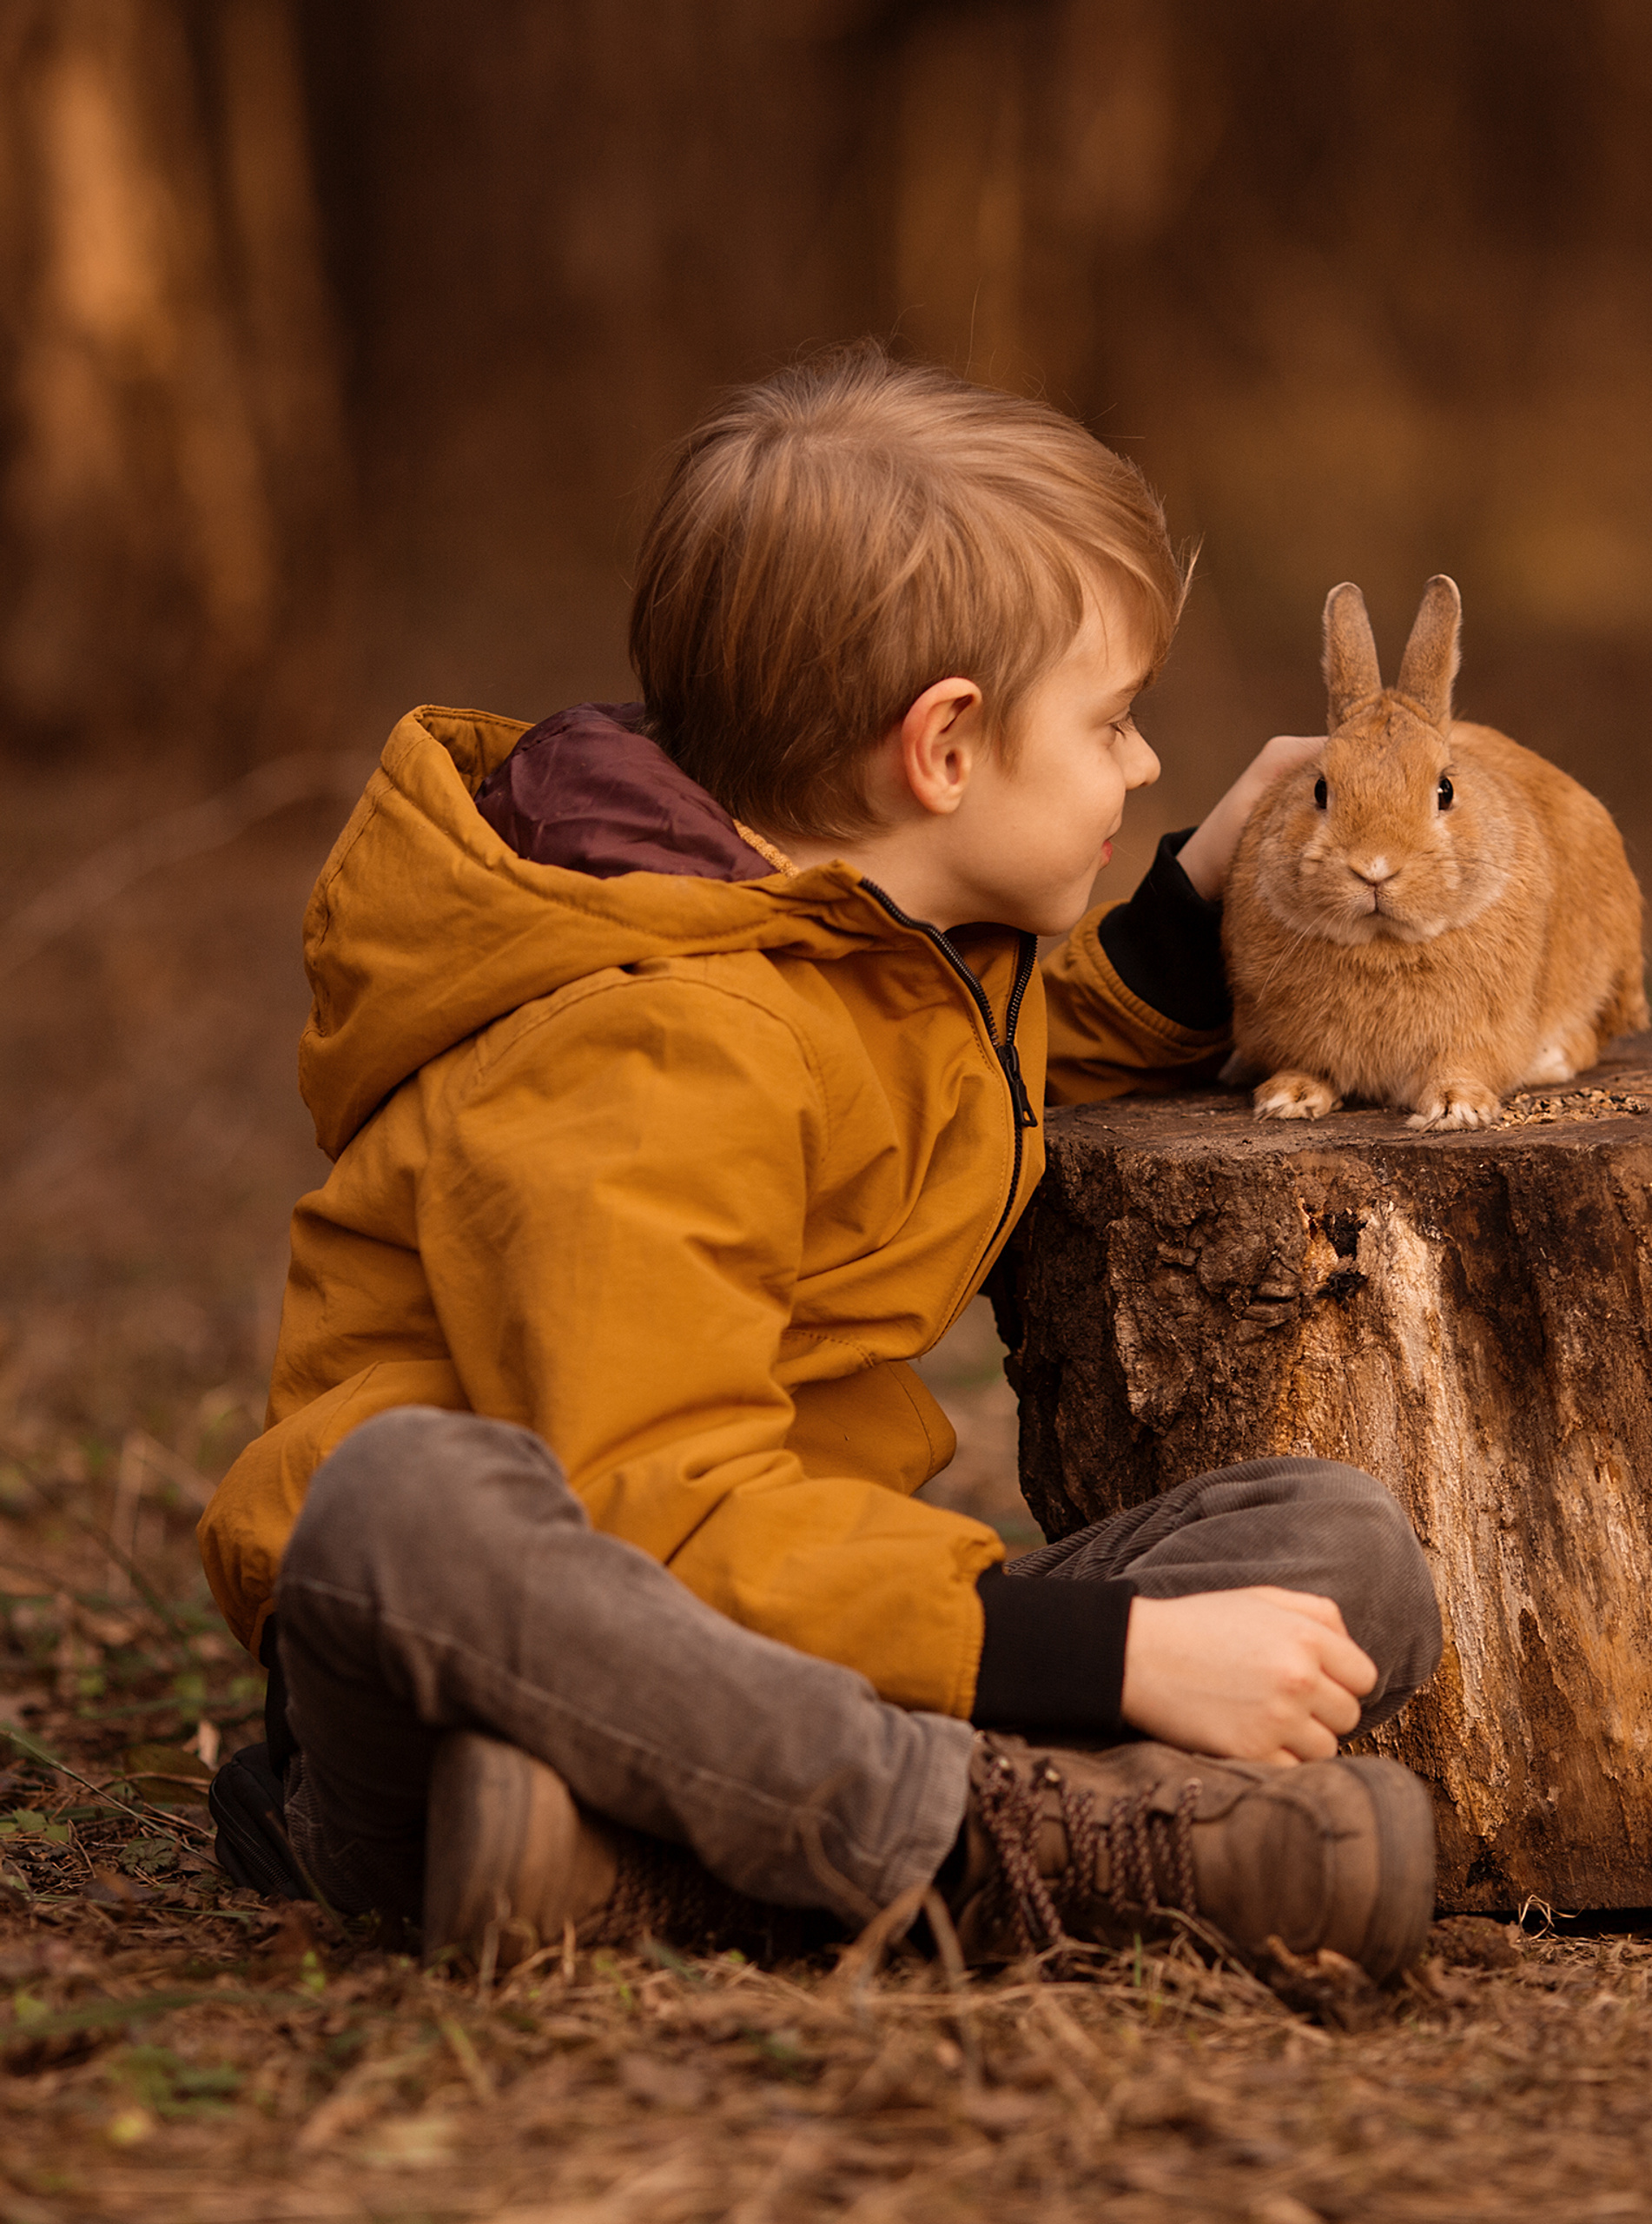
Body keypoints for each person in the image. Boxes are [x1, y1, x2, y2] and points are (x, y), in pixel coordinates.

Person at [200, 347, 1444, 1980]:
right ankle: (995, 1846)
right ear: (942, 750)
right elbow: (657, 1521)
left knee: (1344, 1553)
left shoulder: (855, 931)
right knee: (403, 1502)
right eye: (1117, 724)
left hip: (790, 1631)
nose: (1144, 771)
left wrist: (1183, 915)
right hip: (509, 1663)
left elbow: (957, 1068)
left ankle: (631, 1875)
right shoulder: (639, 1047)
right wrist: (1114, 1654)